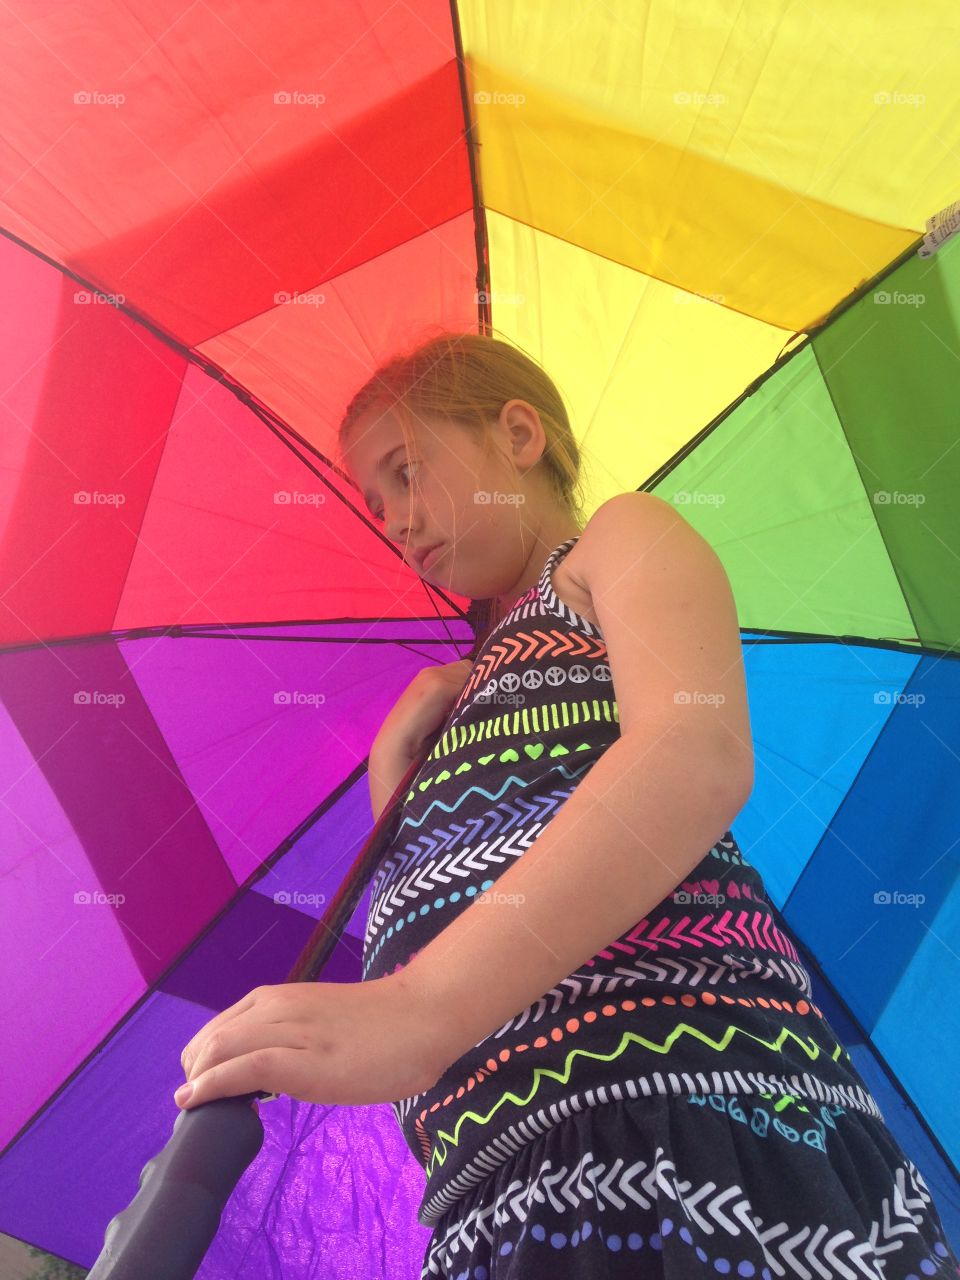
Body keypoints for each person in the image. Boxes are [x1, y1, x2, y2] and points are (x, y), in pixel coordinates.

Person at [337, 330, 960, 1280]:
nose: (394, 519)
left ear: (517, 435)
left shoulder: (613, 546)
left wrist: (421, 1004)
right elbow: (415, 901)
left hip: (675, 1111)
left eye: (407, 470)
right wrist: (396, 760)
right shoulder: (454, 696)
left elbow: (691, 752)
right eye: (375, 504)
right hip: (491, 1179)